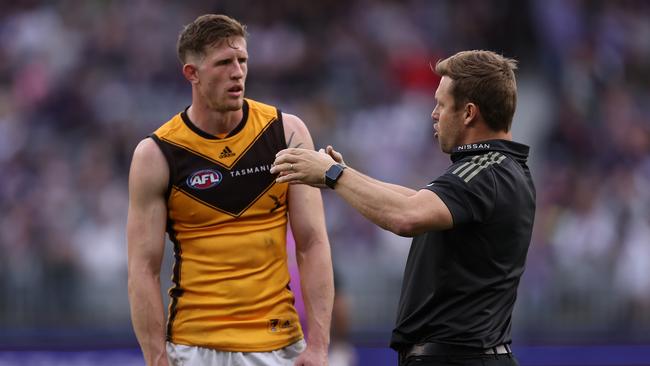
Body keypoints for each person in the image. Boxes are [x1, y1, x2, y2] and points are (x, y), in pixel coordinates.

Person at [271, 50, 535, 366]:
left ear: (468, 113)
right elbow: (414, 200)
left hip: (460, 359)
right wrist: (344, 174)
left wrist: (333, 175)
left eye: (440, 103)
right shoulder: (498, 170)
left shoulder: (484, 171)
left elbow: (405, 216)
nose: (434, 113)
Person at [127, 14, 334, 366]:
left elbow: (312, 243)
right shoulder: (157, 154)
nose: (237, 72)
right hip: (194, 347)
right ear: (192, 73)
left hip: (280, 344)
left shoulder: (285, 133)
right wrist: (156, 358)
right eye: (223, 63)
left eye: (242, 60)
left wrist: (318, 346)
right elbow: (142, 268)